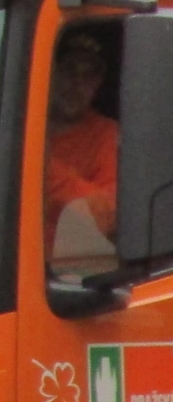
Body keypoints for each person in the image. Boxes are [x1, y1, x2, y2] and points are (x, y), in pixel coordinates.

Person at [44, 27, 118, 268]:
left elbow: (106, 217)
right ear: (49, 71)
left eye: (89, 75)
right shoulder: (17, 125)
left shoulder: (108, 136)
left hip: (62, 277)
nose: (77, 84)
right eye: (69, 70)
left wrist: (38, 166)